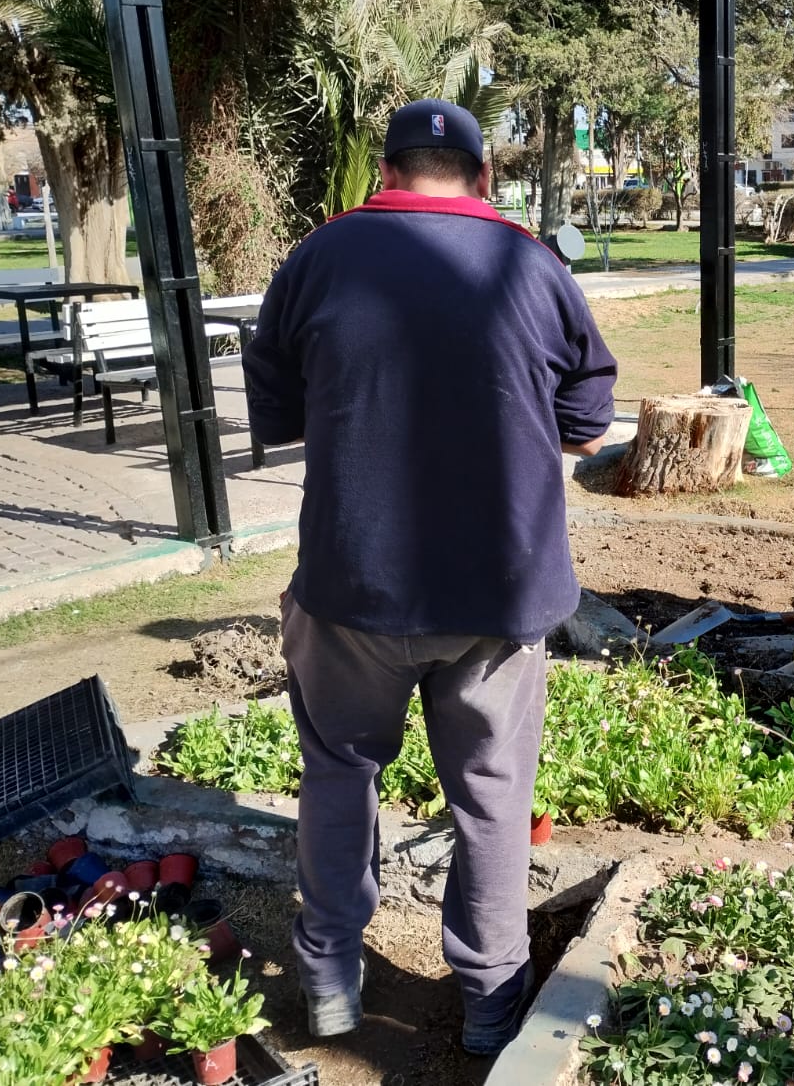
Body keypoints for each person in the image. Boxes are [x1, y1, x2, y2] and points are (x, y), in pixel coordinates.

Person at [243, 98, 617, 1055]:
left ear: (387, 168)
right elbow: (586, 420)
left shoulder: (319, 256)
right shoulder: (534, 265)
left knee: (338, 772)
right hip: (499, 594)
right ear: (484, 178)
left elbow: (280, 409)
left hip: (351, 588)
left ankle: (328, 979)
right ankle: (492, 1002)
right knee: (493, 796)